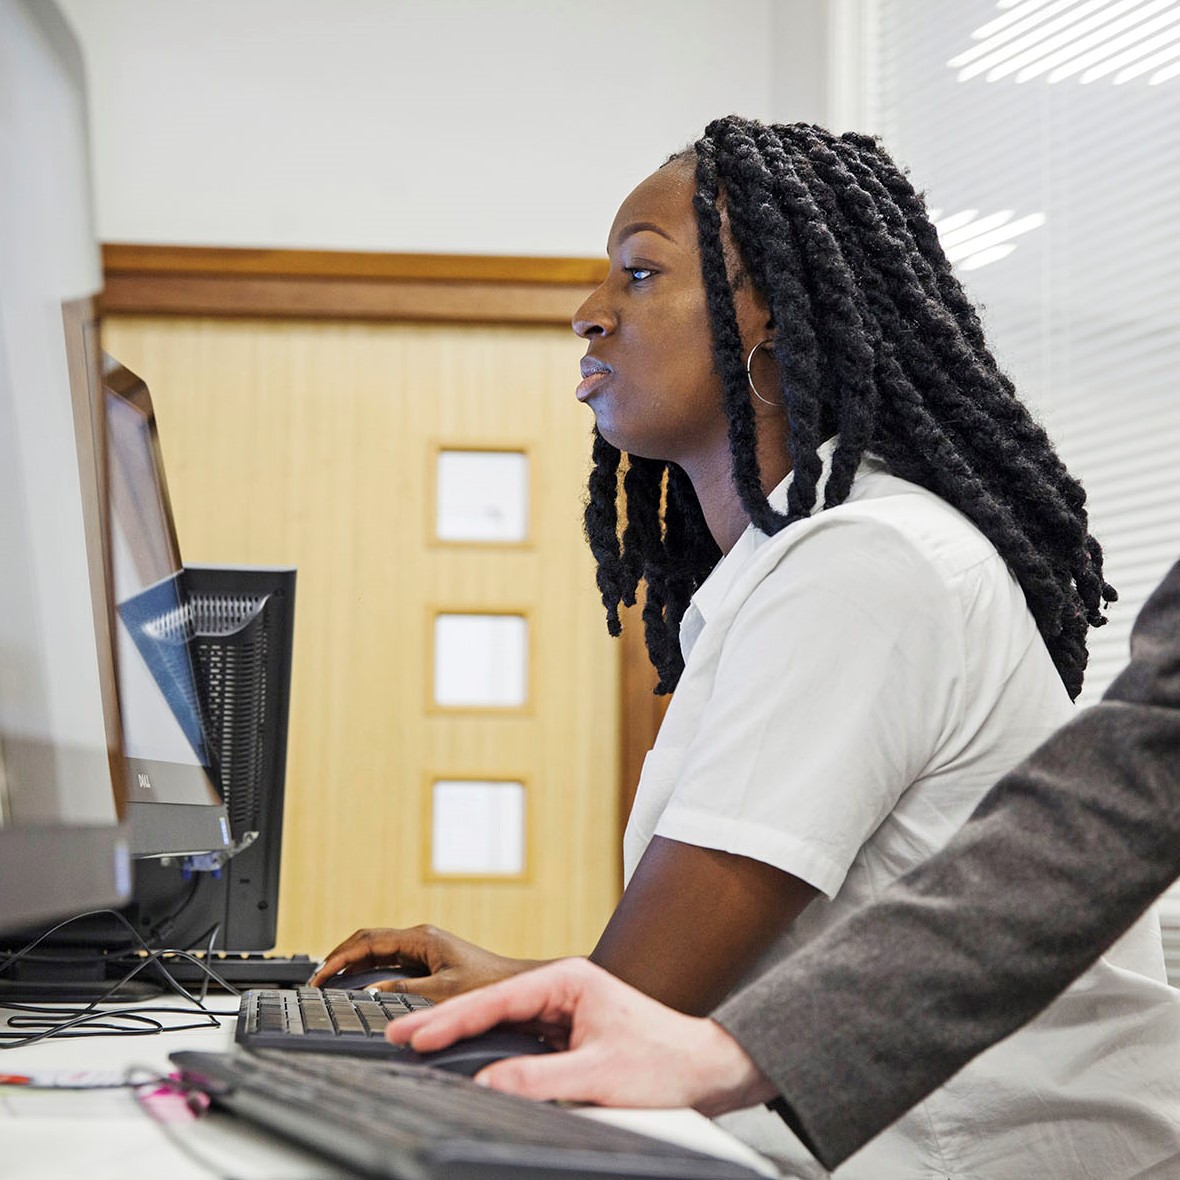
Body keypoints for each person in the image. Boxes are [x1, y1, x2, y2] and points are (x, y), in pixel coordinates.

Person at [314, 117, 1178, 1175]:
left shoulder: (862, 567)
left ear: (765, 313)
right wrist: (512, 979)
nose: (588, 314)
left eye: (637, 274)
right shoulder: (800, 564)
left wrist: (512, 1004)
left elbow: (642, 1007)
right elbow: (680, 1002)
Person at [386, 557, 1180, 1178]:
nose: (584, 334)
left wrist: (733, 1049)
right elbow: (1118, 793)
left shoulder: (863, 570)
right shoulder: (782, 571)